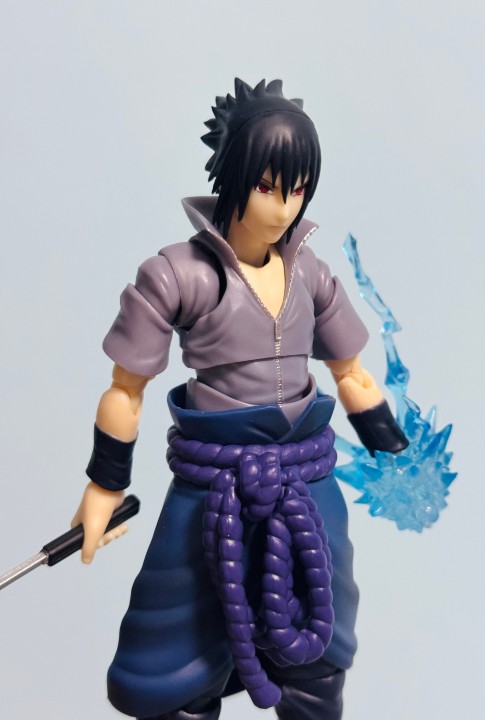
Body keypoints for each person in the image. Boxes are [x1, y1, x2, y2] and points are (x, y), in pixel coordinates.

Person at [71, 78, 407, 720]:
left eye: (297, 190)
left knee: (318, 653)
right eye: (268, 187)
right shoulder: (177, 275)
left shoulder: (312, 274)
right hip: (213, 491)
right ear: (234, 178)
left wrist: (392, 446)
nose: (282, 208)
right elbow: (125, 390)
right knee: (177, 668)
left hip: (305, 485)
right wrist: (104, 486)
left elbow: (352, 374)